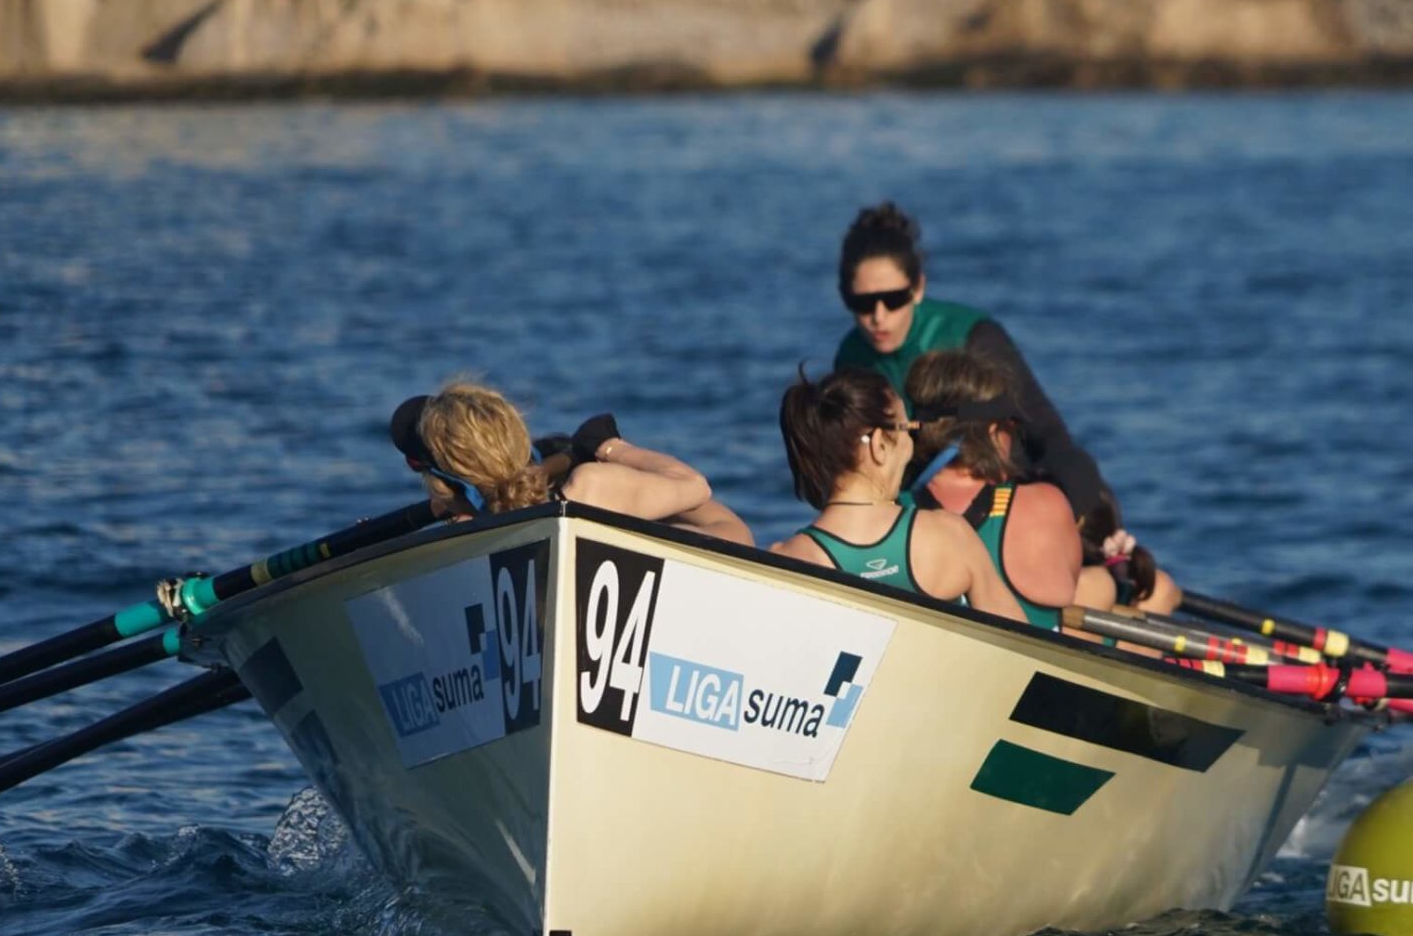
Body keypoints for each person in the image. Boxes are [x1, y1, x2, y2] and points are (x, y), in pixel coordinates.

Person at [831, 203, 1118, 528]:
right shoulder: (849, 359)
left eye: (894, 299)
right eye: (862, 303)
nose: (878, 316)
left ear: (918, 288)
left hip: (1005, 504)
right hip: (915, 515)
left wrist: (1069, 521)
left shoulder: (974, 337)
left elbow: (1050, 439)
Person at [768, 368, 1027, 622]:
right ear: (879, 444)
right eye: (907, 429)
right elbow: (1018, 642)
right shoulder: (949, 536)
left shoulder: (789, 560)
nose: (911, 445)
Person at [402, 380, 753, 543]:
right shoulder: (589, 489)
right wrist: (611, 447)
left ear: (441, 483)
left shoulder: (453, 545)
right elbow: (697, 487)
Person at [904, 349, 1095, 633]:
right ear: (993, 431)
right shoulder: (1045, 505)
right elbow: (1071, 582)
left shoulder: (891, 507)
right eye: (1011, 426)